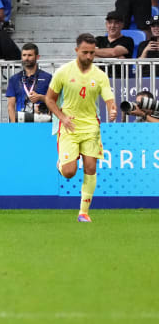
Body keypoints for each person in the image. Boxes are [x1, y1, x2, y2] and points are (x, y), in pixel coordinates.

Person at [45, 33, 117, 223]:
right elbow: (49, 99)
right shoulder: (63, 72)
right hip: (69, 126)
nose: (89, 57)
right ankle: (61, 164)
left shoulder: (100, 75)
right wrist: (62, 117)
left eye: (92, 53)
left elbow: (108, 97)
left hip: (91, 126)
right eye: (85, 52)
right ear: (77, 50)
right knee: (69, 172)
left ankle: (83, 212)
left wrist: (112, 109)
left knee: (91, 167)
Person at [6, 43, 53, 122]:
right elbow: (11, 105)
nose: (26, 58)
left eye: (30, 55)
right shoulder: (14, 79)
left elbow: (54, 101)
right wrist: (14, 126)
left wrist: (41, 97)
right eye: (24, 55)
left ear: (37, 57)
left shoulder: (47, 77)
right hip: (21, 121)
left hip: (41, 121)